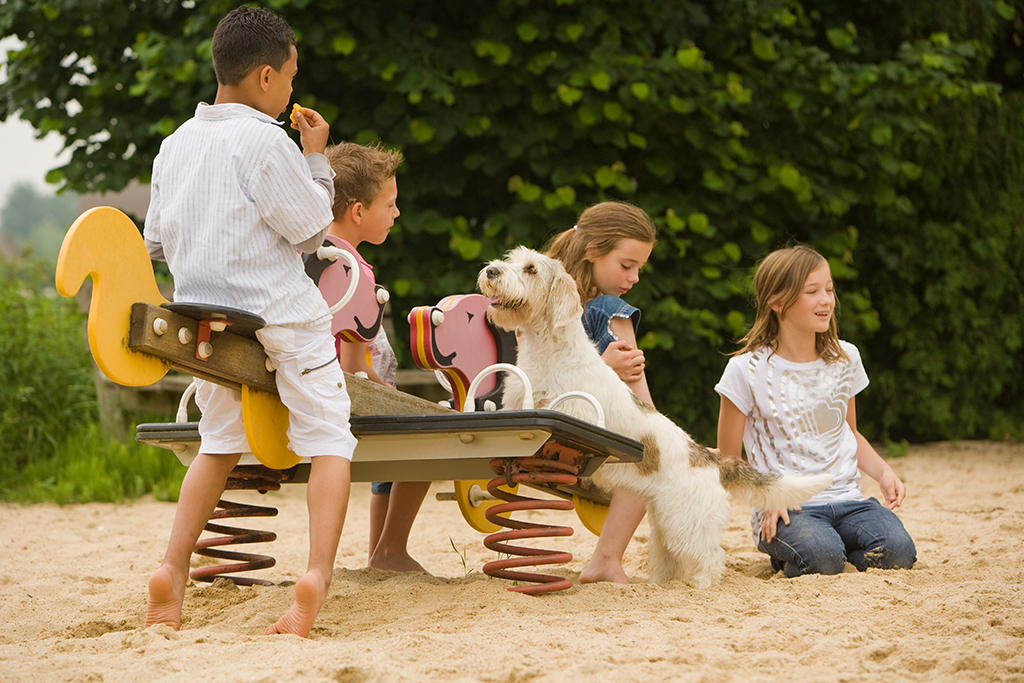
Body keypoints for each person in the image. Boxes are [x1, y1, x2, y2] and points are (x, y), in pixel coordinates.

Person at [142, 6, 356, 637]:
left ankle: (173, 569)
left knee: (218, 441)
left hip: (208, 318)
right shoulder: (267, 141)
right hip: (280, 314)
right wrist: (314, 159)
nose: (291, 90)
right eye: (290, 77)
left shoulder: (176, 143)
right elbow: (313, 228)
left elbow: (155, 240)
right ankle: (316, 573)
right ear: (266, 76)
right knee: (328, 437)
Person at [715, 244, 916, 577]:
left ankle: (836, 545)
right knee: (822, 559)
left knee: (899, 552)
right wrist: (768, 496)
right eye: (812, 291)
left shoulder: (845, 358)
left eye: (830, 289)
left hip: (850, 501)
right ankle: (812, 548)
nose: (827, 300)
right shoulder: (744, 371)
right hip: (789, 507)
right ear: (777, 302)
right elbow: (728, 460)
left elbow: (849, 433)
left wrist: (883, 473)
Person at [322, 141, 430, 573]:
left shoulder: (300, 254)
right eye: (391, 203)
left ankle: (381, 552)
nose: (397, 213)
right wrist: (381, 386)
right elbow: (353, 368)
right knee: (429, 432)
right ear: (358, 212)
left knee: (403, 418)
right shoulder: (353, 270)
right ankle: (391, 550)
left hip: (301, 392)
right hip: (338, 401)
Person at [544, 200, 658, 584]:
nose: (635, 277)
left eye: (639, 267)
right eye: (627, 265)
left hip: (542, 421)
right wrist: (605, 368)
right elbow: (643, 408)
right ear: (593, 252)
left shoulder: (542, 296)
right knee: (650, 453)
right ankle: (606, 559)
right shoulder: (609, 309)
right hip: (573, 436)